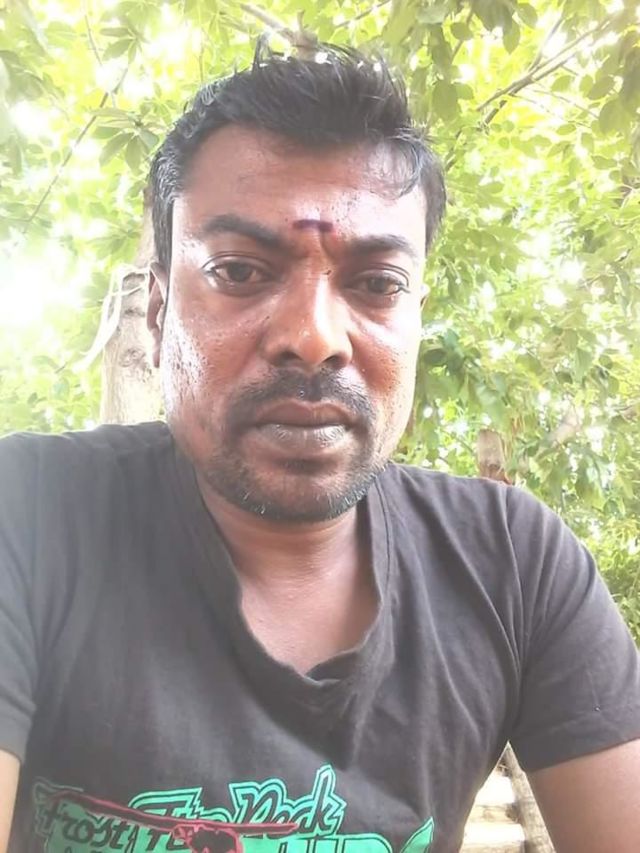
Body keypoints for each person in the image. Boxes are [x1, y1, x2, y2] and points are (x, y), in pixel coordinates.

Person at [0, 43, 639, 853]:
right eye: (239, 271)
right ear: (157, 316)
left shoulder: (513, 565)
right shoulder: (27, 517)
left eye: (376, 284)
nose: (313, 337)